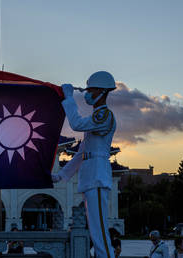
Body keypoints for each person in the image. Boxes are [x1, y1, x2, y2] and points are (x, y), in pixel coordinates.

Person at [52, 71, 117, 258]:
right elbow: (81, 154)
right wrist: (62, 175)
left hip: (97, 177)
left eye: (91, 89)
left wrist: (69, 99)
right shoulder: (95, 119)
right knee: (95, 230)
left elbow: (77, 124)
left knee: (99, 231)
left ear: (102, 92)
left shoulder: (104, 116)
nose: (87, 93)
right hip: (90, 177)